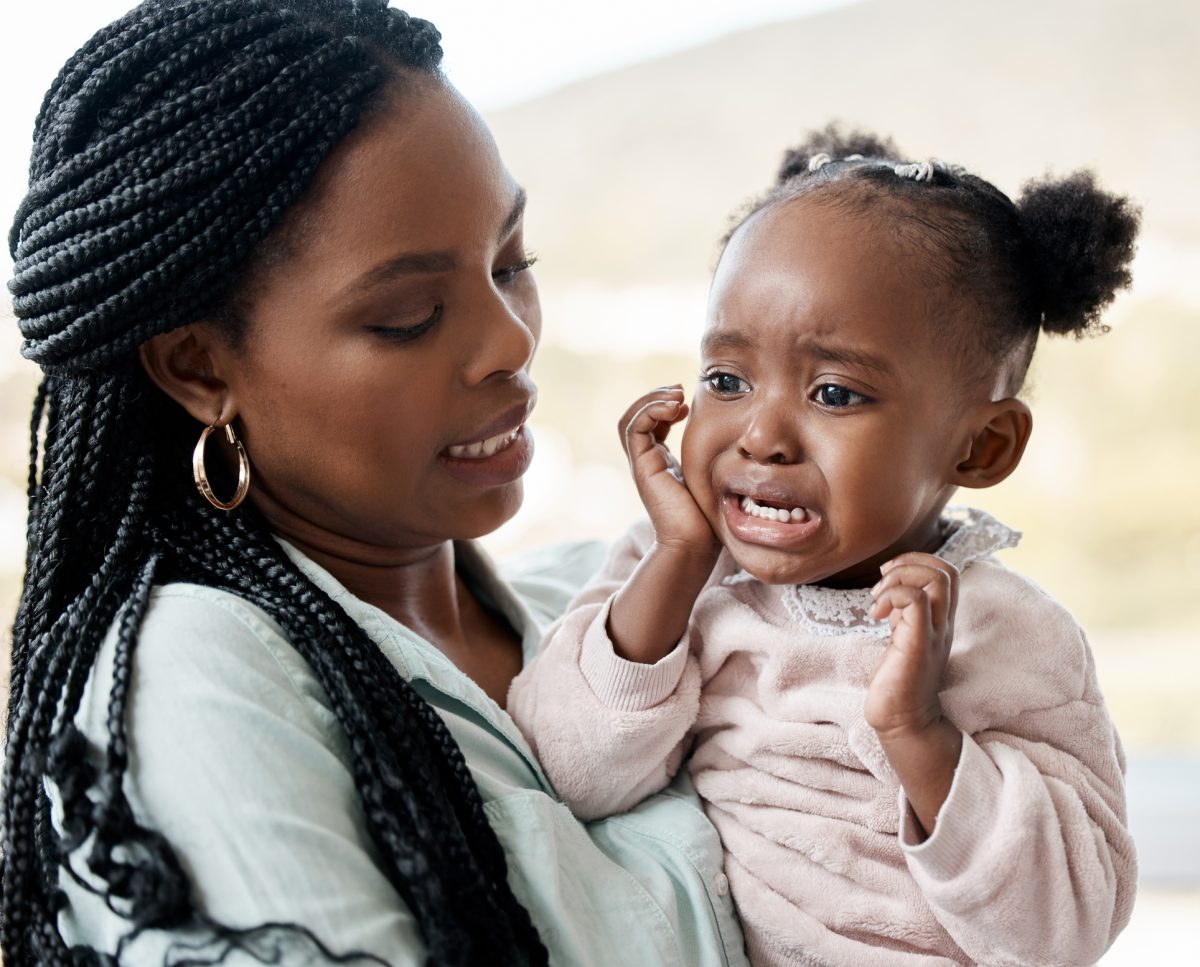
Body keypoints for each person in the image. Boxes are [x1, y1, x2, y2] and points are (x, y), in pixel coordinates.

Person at [1, 2, 748, 964]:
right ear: (198, 367)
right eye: (408, 315)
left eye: (512, 262)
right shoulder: (194, 682)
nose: (511, 340)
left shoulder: (607, 606)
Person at [508, 128, 1140, 965]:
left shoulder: (1012, 636)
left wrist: (921, 733)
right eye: (726, 380)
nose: (761, 434)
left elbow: (1063, 928)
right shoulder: (672, 570)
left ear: (980, 448)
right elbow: (568, 772)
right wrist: (676, 566)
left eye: (835, 392)